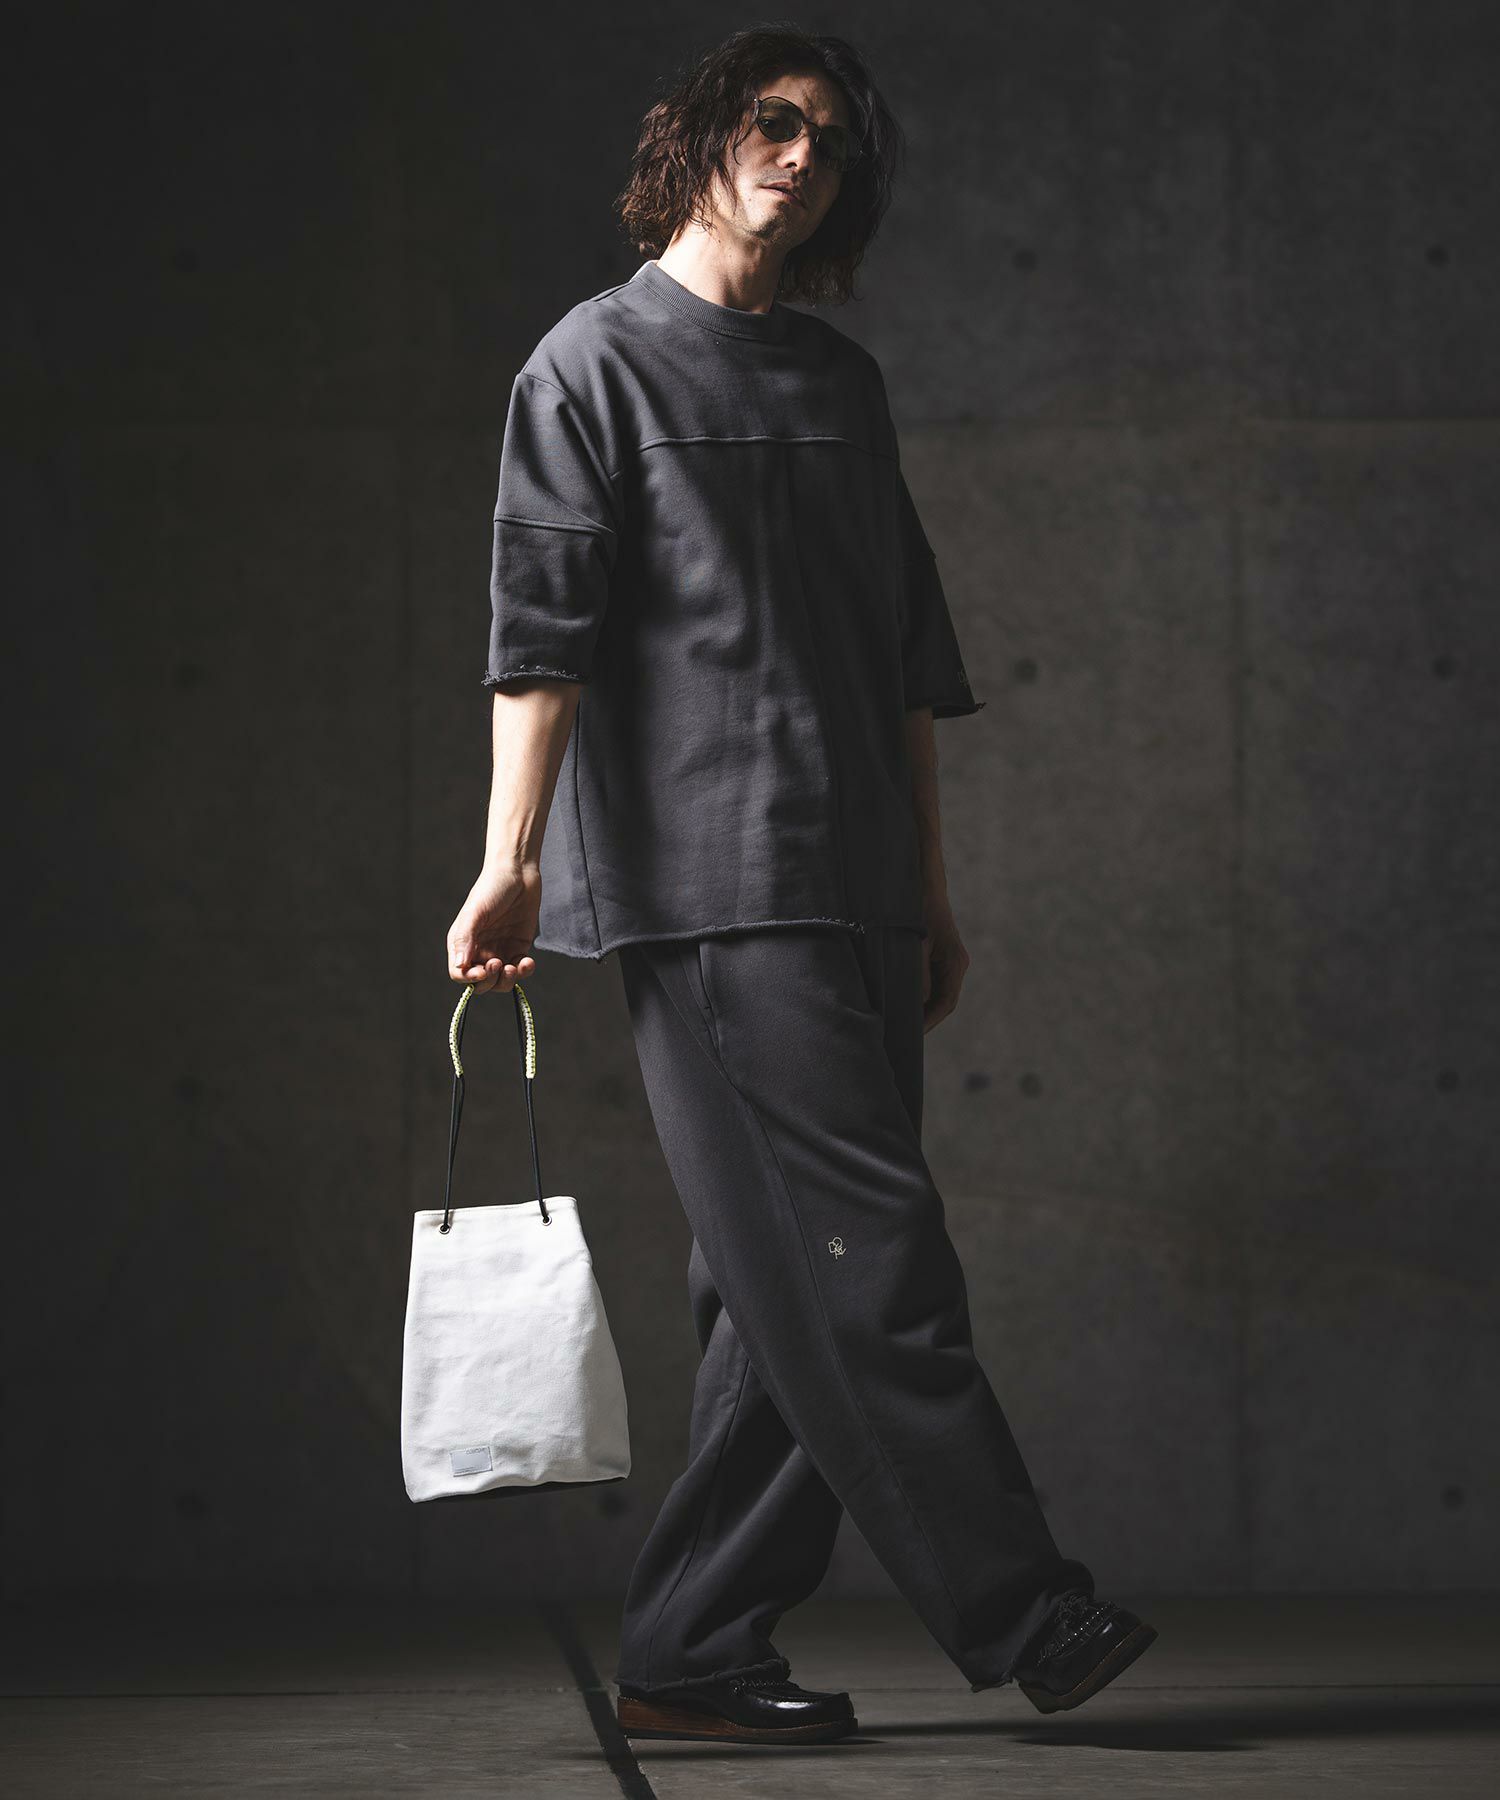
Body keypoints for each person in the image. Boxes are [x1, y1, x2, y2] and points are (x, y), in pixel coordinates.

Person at [446, 23, 1156, 1749]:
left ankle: (692, 1646)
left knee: (783, 1285)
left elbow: (905, 662)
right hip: (711, 890)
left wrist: (931, 892)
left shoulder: (841, 387)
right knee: (869, 1251)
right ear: (696, 137)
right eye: (772, 122)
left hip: (858, 883)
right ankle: (1026, 1606)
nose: (801, 157)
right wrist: (510, 862)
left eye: (833, 143)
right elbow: (540, 646)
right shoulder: (589, 366)